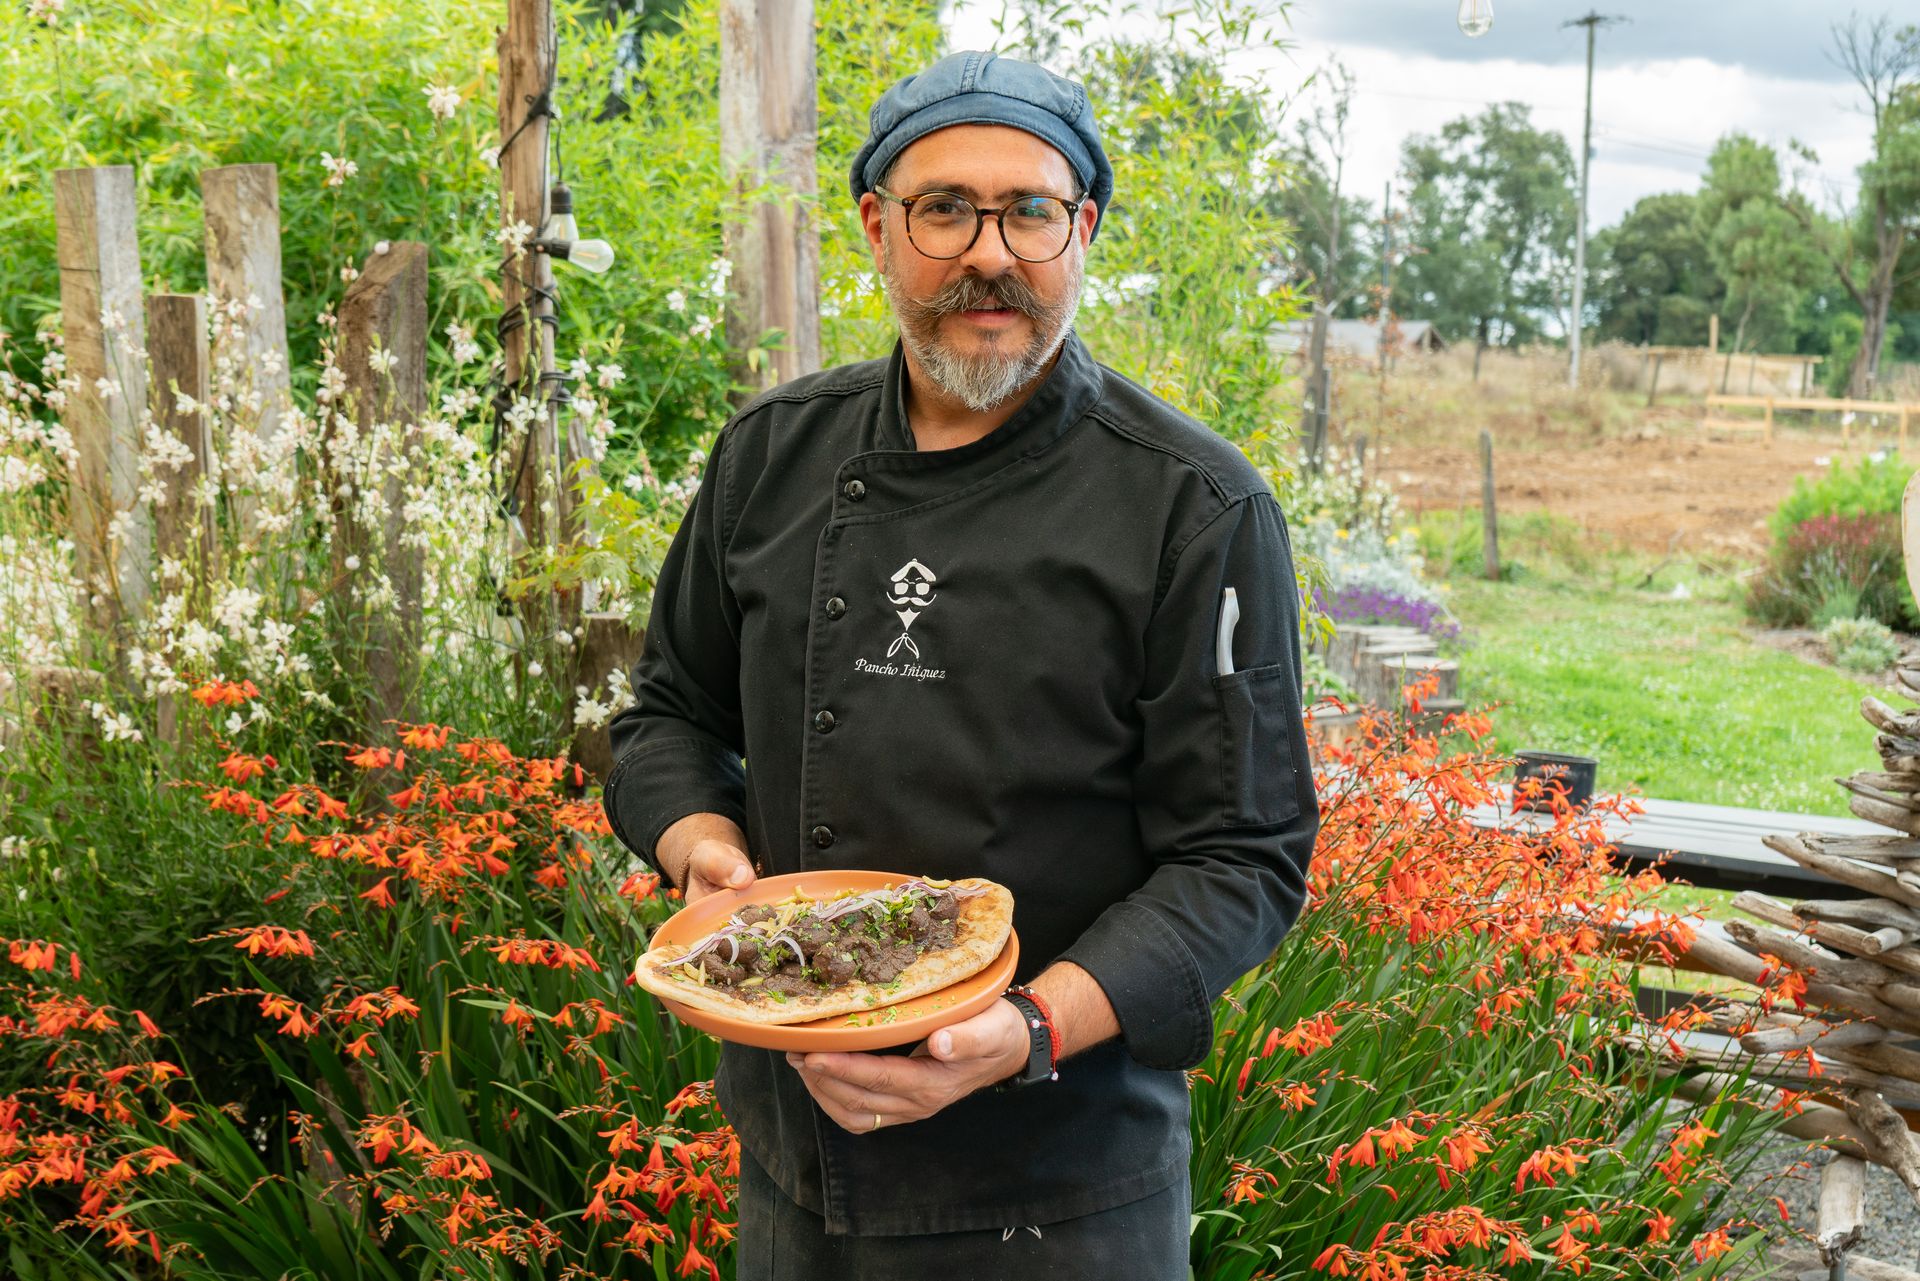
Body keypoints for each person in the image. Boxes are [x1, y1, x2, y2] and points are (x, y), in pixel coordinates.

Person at [603, 48, 1320, 1280]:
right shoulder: (772, 455)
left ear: (1082, 231)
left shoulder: (1192, 507)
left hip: (1059, 1189)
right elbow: (666, 715)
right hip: (790, 1164)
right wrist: (700, 847)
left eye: (1029, 210)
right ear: (877, 227)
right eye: (945, 209)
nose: (991, 253)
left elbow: (1242, 855)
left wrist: (1029, 1028)